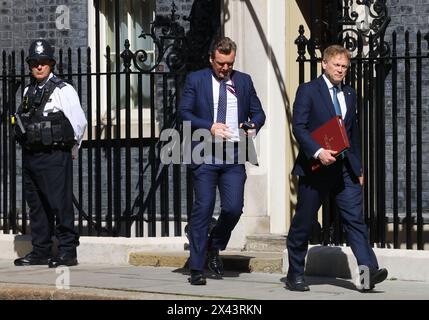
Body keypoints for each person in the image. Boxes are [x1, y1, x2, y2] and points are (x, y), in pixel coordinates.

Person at [286, 45, 388, 292]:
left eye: (344, 66)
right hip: (316, 168)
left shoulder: (350, 94)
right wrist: (319, 152)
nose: (341, 70)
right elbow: (298, 127)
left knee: (355, 221)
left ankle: (367, 274)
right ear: (324, 64)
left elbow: (352, 134)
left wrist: (359, 168)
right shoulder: (308, 91)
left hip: (345, 169)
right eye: (336, 65)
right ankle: (295, 274)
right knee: (303, 221)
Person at [179, 37, 266, 285]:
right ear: (211, 59)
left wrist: (253, 125)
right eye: (220, 63)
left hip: (234, 155)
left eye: (229, 63)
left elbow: (258, 112)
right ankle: (197, 269)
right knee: (204, 207)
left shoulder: (244, 81)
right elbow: (183, 112)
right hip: (204, 154)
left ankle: (213, 246)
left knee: (233, 208)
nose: (225, 68)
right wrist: (210, 126)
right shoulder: (196, 80)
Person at [13, 39, 87, 268]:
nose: (38, 66)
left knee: (59, 203)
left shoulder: (63, 90)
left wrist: (73, 149)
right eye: (34, 62)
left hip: (55, 155)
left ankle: (68, 251)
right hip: (31, 155)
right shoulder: (28, 90)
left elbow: (79, 123)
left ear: (51, 64)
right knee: (36, 205)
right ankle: (40, 250)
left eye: (43, 62)